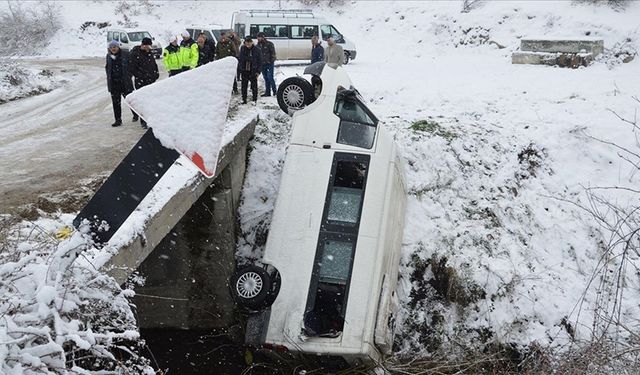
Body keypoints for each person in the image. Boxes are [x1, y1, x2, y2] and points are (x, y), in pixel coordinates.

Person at [128, 37, 159, 129]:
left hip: (151, 81)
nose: (150, 47)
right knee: (143, 102)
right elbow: (132, 69)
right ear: (143, 45)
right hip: (141, 82)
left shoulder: (149, 53)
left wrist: (156, 73)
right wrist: (142, 76)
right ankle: (143, 121)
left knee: (151, 102)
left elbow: (154, 64)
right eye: (148, 45)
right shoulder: (134, 54)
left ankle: (150, 120)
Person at [105, 40, 136, 127]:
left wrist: (128, 75)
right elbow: (107, 68)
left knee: (130, 100)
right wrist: (110, 77)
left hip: (125, 82)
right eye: (111, 47)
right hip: (114, 83)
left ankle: (136, 114)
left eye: (114, 47)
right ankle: (118, 120)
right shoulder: (108, 56)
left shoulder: (125, 54)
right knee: (116, 103)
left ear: (118, 47)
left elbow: (131, 66)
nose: (113, 49)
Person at [237, 36, 262, 104]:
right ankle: (244, 99)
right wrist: (240, 69)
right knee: (244, 85)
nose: (247, 44)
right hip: (245, 69)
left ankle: (254, 99)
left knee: (254, 86)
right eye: (246, 42)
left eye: (249, 42)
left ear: (251, 42)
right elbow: (240, 59)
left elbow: (260, 61)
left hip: (253, 69)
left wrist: (258, 71)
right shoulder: (242, 48)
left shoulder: (257, 49)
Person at [256, 32, 277, 97]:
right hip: (262, 64)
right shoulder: (257, 46)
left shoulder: (269, 44)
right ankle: (267, 92)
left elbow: (273, 54)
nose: (258, 38)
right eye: (258, 37)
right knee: (266, 78)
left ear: (263, 37)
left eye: (260, 37)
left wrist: (271, 61)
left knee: (270, 77)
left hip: (269, 63)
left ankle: (275, 91)